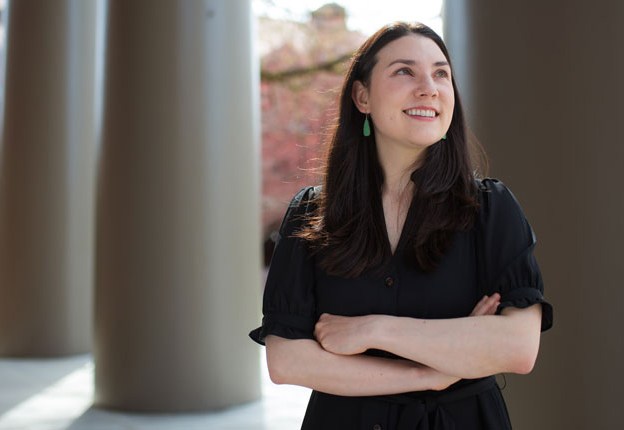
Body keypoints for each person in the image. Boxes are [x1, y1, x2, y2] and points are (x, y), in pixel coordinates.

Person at [249, 21, 553, 430]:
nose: (429, 87)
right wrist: (431, 370)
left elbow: (518, 348)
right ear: (362, 96)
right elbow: (287, 361)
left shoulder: (491, 210)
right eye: (404, 71)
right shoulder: (311, 214)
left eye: (441, 73)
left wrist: (374, 330)